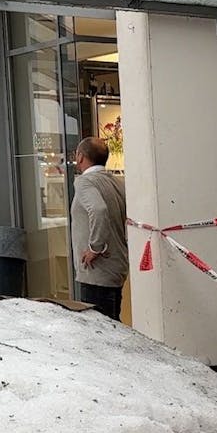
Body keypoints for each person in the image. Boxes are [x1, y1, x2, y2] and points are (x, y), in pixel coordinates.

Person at [68, 136, 129, 321]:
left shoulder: (85, 182)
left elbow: (98, 209)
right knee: (112, 323)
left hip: (96, 271)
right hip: (115, 266)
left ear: (80, 157)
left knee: (100, 329)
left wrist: (95, 247)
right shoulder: (116, 182)